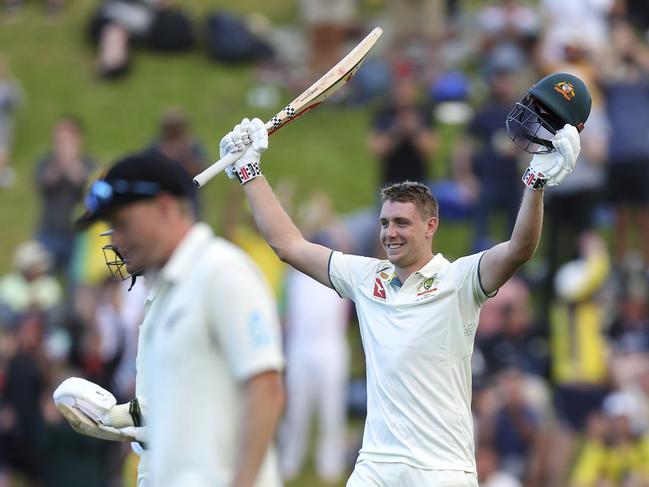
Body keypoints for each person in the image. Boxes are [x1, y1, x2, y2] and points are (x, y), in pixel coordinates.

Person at [219, 71, 589, 485]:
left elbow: (519, 248)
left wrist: (535, 184)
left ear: (431, 226)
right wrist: (250, 172)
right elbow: (290, 245)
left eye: (401, 223)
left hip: (442, 470)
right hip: (376, 466)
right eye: (384, 223)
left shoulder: (460, 279)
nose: (389, 233)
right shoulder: (365, 277)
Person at [53, 152, 285, 486]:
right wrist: (114, 418)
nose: (116, 240)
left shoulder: (221, 272)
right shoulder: (161, 297)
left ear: (164, 207)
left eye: (122, 223)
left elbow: (266, 390)